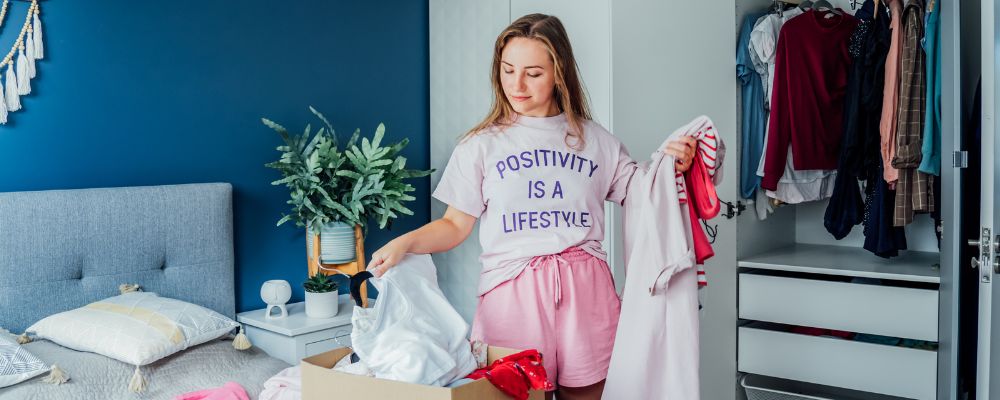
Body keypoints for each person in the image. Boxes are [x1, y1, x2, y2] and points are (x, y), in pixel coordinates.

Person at [367, 13, 696, 400]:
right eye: (508, 70)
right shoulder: (480, 145)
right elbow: (455, 225)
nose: (516, 85)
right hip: (512, 295)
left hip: (586, 293)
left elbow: (645, 191)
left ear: (559, 72)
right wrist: (405, 242)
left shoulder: (596, 140)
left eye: (533, 73)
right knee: (514, 394)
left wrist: (674, 163)